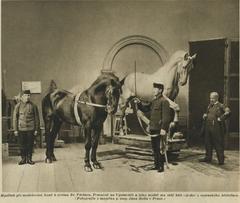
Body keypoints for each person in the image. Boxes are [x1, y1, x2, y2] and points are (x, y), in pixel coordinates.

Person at [137, 82, 171, 172]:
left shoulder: (164, 101)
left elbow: (166, 117)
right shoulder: (154, 101)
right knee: (154, 148)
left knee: (160, 148)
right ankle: (156, 165)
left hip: (160, 129)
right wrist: (139, 104)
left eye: (155, 89)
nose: (153, 90)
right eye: (153, 89)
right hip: (153, 128)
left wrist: (164, 128)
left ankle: (161, 166)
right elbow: (146, 109)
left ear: (160, 90)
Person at [199, 92, 231, 165]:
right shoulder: (210, 106)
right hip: (208, 127)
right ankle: (208, 158)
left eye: (212, 98)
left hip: (216, 128)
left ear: (217, 98)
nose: (211, 99)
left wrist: (221, 118)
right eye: (210, 98)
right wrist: (205, 115)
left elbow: (228, 112)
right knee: (208, 143)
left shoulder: (221, 105)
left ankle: (221, 160)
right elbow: (207, 113)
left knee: (218, 143)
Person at [13, 90, 40, 165]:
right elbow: (15, 118)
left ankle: (29, 159)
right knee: (22, 144)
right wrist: (15, 129)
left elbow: (36, 118)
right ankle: (23, 159)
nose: (27, 97)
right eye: (25, 95)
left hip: (31, 129)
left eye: (28, 95)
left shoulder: (33, 106)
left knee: (30, 144)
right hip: (21, 128)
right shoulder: (18, 106)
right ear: (21, 97)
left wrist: (36, 129)